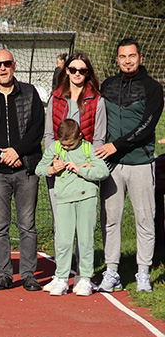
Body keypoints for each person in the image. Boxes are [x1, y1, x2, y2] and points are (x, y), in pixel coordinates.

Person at [0, 49, 45, 292]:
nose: (2, 68)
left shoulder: (30, 92)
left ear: (14, 66)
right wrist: (1, 153)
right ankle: (3, 274)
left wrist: (18, 151)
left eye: (6, 63)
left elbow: (37, 128)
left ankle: (28, 274)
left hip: (26, 169)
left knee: (27, 225)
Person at [96, 38, 162, 292]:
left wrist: (117, 145)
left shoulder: (153, 88)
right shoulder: (108, 85)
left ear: (140, 57)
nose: (127, 61)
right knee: (111, 219)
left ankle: (143, 272)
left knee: (145, 219)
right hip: (112, 166)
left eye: (131, 56)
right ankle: (112, 272)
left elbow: (147, 127)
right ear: (117, 60)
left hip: (141, 163)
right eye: (122, 57)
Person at [36, 119, 109, 296]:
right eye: (64, 145)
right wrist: (53, 169)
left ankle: (84, 278)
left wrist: (80, 170)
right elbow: (39, 169)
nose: (67, 148)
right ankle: (61, 277)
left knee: (85, 239)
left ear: (80, 136)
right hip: (63, 198)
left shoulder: (88, 148)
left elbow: (103, 172)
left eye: (70, 144)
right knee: (63, 240)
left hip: (87, 197)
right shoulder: (55, 148)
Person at [45, 52, 105, 216]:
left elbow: (99, 136)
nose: (77, 73)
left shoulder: (97, 100)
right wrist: (53, 159)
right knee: (61, 223)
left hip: (84, 168)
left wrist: (91, 163)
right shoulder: (55, 98)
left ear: (88, 73)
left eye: (82, 70)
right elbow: (49, 134)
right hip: (60, 167)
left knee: (83, 224)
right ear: (66, 71)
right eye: (73, 69)